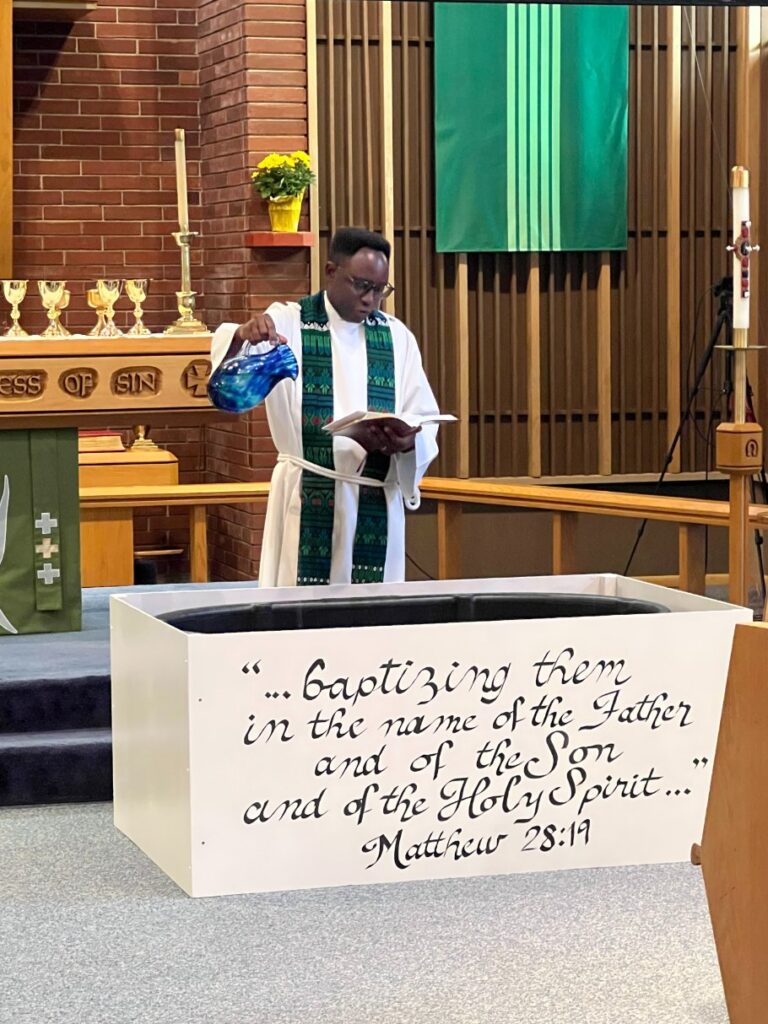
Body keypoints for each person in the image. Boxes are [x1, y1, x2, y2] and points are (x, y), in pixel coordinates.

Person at [210, 226, 441, 588]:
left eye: (380, 290)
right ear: (331, 272)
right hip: (307, 501)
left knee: (373, 624)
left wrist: (408, 441)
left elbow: (424, 416)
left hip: (373, 500)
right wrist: (242, 337)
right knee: (301, 621)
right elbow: (230, 393)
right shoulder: (289, 323)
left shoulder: (397, 337)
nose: (370, 299)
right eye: (361, 285)